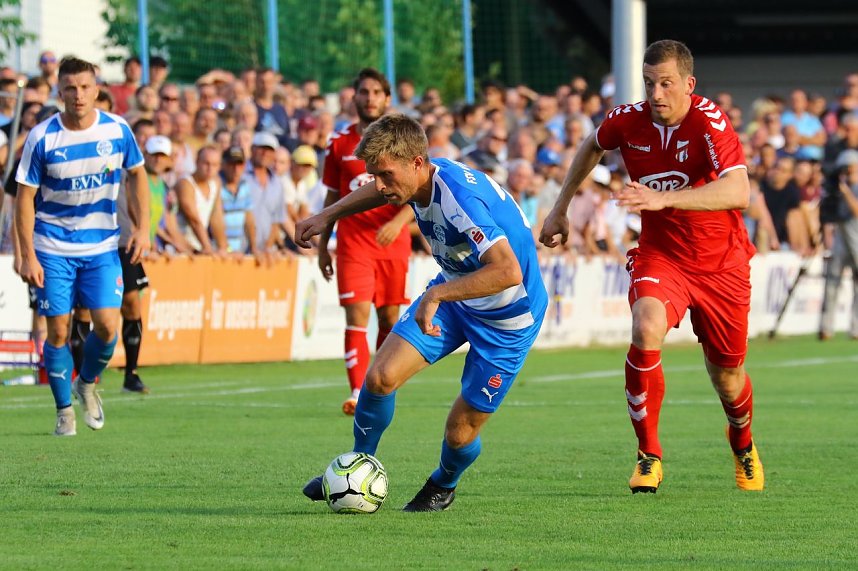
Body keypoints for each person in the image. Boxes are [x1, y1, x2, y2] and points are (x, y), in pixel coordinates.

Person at [539, 39, 764, 493]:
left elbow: (738, 192)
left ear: (688, 84)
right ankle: (649, 455)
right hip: (662, 255)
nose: (656, 93)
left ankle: (742, 442)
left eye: (666, 83)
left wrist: (665, 199)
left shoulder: (709, 121)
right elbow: (591, 146)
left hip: (721, 264)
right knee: (645, 328)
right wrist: (561, 207)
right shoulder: (628, 120)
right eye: (648, 83)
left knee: (727, 376)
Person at [296, 113, 547, 511]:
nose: (380, 185)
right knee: (379, 378)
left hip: (508, 318)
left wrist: (436, 296)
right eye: (374, 175)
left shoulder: (460, 199)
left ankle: (443, 484)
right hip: (456, 295)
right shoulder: (417, 178)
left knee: (460, 433)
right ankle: (358, 464)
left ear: (416, 162)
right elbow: (377, 191)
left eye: (385, 175)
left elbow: (507, 271)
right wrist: (326, 216)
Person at [15, 56, 149, 436]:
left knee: (107, 326)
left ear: (96, 89)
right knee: (58, 332)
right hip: (52, 246)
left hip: (101, 246)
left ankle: (86, 383)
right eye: (70, 88)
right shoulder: (42, 137)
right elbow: (24, 198)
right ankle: (63, 411)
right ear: (59, 92)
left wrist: (143, 229)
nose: (78, 95)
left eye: (85, 87)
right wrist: (27, 255)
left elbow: (137, 174)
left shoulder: (117, 129)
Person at [318, 68, 414, 416]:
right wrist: (322, 245)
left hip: (392, 243)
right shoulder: (338, 143)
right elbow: (332, 198)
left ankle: (380, 385)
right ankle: (358, 392)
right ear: (354, 96)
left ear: (387, 98)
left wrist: (399, 221)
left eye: (376, 92)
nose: (370, 98)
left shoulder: (402, 141)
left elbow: (422, 189)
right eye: (364, 91)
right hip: (353, 242)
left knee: (389, 318)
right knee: (356, 315)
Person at [819, 149, 858, 340]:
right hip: (840, 234)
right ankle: (826, 327)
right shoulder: (836, 188)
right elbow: (828, 211)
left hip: (856, 234)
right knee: (832, 280)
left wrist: (845, 190)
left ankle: (856, 328)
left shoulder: (850, 188)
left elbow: (856, 211)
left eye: (849, 168)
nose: (847, 172)